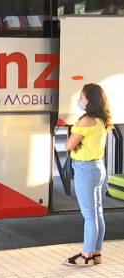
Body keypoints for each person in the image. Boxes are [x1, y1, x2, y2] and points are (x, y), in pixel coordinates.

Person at [64, 83, 113, 266]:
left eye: (82, 97)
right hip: (99, 167)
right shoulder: (102, 120)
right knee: (97, 213)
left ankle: (86, 256)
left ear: (90, 100)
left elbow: (69, 145)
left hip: (85, 169)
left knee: (89, 216)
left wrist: (75, 130)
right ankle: (96, 253)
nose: (80, 100)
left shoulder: (87, 120)